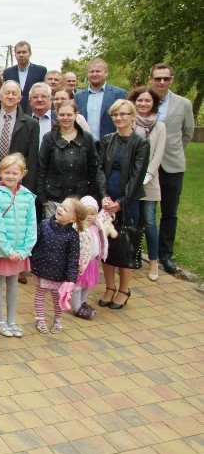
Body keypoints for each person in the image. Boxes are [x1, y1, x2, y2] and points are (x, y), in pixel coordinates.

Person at [97, 99, 150, 311]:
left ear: (132, 116)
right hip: (107, 200)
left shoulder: (140, 143)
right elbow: (99, 169)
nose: (119, 118)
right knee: (106, 245)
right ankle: (109, 286)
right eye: (115, 114)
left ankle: (124, 289)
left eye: (124, 114)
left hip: (127, 203)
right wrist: (104, 197)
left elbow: (137, 176)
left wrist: (120, 202)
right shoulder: (108, 139)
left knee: (125, 245)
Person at [149, 63, 194, 275]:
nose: (161, 82)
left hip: (172, 164)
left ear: (171, 80)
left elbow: (188, 133)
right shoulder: (143, 100)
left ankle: (165, 254)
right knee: (145, 212)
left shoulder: (183, 104)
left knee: (169, 211)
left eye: (165, 78)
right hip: (147, 164)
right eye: (158, 78)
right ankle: (143, 252)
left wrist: (174, 150)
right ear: (151, 79)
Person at [0, 154, 37, 338]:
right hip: (4, 251)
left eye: (14, 173)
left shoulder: (27, 196)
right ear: (0, 172)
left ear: (22, 174)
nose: (10, 176)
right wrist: (7, 250)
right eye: (6, 172)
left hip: (20, 251)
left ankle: (11, 320)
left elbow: (31, 224)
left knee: (13, 284)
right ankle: (0, 319)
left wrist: (24, 250)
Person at [36, 100, 100, 219]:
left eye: (69, 114)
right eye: (62, 114)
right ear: (57, 115)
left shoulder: (87, 138)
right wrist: (42, 194)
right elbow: (42, 167)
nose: (65, 118)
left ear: (76, 115)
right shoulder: (49, 138)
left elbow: (94, 168)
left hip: (80, 196)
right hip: (54, 197)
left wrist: (92, 195)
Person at [30, 197, 85, 334]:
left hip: (59, 274)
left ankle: (58, 319)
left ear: (73, 219)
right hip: (42, 268)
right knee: (39, 294)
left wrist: (71, 279)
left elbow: (73, 259)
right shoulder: (44, 224)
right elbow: (34, 244)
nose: (60, 209)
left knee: (58, 297)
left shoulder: (72, 235)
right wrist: (32, 261)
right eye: (61, 206)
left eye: (65, 209)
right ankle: (40, 318)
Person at [128, 86, 166, 281]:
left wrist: (147, 176)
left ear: (154, 103)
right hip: (130, 180)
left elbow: (158, 154)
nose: (143, 104)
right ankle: (131, 256)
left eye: (147, 101)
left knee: (150, 221)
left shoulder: (159, 126)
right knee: (132, 220)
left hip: (149, 181)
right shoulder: (129, 122)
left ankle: (153, 261)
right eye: (140, 100)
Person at [0, 80, 40, 191]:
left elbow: (32, 160)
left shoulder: (31, 124)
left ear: (20, 98)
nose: (10, 96)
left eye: (14, 93)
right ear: (0, 96)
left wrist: (28, 189)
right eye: (7, 93)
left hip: (18, 183)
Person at [73, 58, 127, 140]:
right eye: (91, 71)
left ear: (106, 73)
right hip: (84, 146)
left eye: (98, 71)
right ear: (87, 74)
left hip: (111, 145)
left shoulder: (119, 94)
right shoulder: (78, 97)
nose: (94, 74)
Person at [72, 196, 106, 319]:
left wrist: (107, 207)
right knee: (78, 285)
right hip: (81, 263)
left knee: (87, 284)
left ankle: (82, 302)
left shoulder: (96, 226)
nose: (89, 216)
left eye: (92, 214)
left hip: (92, 262)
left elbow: (104, 215)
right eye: (86, 213)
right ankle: (76, 307)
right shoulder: (78, 228)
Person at [2, 41, 47, 111]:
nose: (21, 55)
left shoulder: (41, 71)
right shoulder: (8, 72)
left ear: (30, 53)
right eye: (18, 52)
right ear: (15, 54)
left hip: (34, 111)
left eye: (24, 52)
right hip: (14, 110)